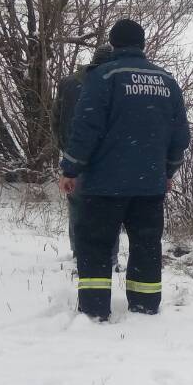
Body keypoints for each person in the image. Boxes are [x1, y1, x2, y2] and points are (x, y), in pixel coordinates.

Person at [58, 19, 190, 321]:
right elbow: (180, 136)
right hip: (149, 186)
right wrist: (168, 171)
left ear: (113, 44)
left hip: (104, 185)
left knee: (96, 245)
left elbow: (85, 129)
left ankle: (94, 309)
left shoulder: (104, 77)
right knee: (146, 246)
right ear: (142, 44)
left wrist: (71, 169)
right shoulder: (166, 81)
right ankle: (144, 307)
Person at [52, 44, 117, 258]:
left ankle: (78, 251)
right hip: (106, 157)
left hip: (73, 153)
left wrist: (64, 147)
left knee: (77, 205)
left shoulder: (68, 83)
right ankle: (110, 256)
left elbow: (55, 118)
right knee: (109, 208)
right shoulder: (112, 83)